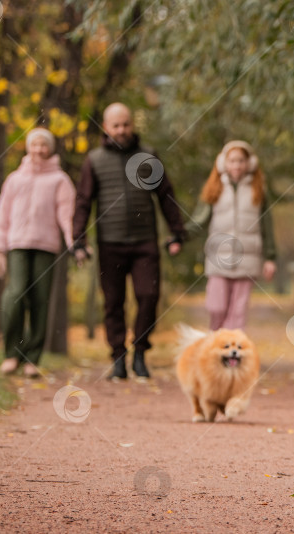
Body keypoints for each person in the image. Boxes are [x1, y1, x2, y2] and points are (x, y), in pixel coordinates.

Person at [72, 103, 187, 380]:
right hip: (109, 243)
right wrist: (78, 240)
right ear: (106, 127)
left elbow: (165, 195)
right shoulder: (94, 160)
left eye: (126, 124)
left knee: (148, 296)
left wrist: (176, 232)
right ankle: (118, 358)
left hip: (144, 241)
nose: (121, 130)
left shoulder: (148, 155)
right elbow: (83, 201)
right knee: (113, 303)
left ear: (132, 125)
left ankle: (140, 353)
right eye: (116, 125)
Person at [0, 128, 76, 377]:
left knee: (39, 301)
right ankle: (11, 354)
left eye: (43, 145)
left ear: (50, 149)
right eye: (34, 145)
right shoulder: (15, 179)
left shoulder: (60, 180)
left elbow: (67, 217)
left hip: (45, 247)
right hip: (16, 245)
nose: (39, 150)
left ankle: (31, 358)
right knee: (14, 296)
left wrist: (74, 244)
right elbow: (1, 216)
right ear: (27, 147)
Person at [185, 140, 276, 330]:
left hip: (247, 260)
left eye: (241, 161)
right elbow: (199, 220)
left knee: (238, 313)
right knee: (216, 308)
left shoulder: (258, 190)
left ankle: (233, 357)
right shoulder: (214, 188)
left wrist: (270, 258)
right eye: (232, 161)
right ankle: (216, 348)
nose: (237, 165)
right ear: (224, 163)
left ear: (249, 163)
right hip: (219, 259)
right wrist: (180, 235)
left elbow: (267, 227)